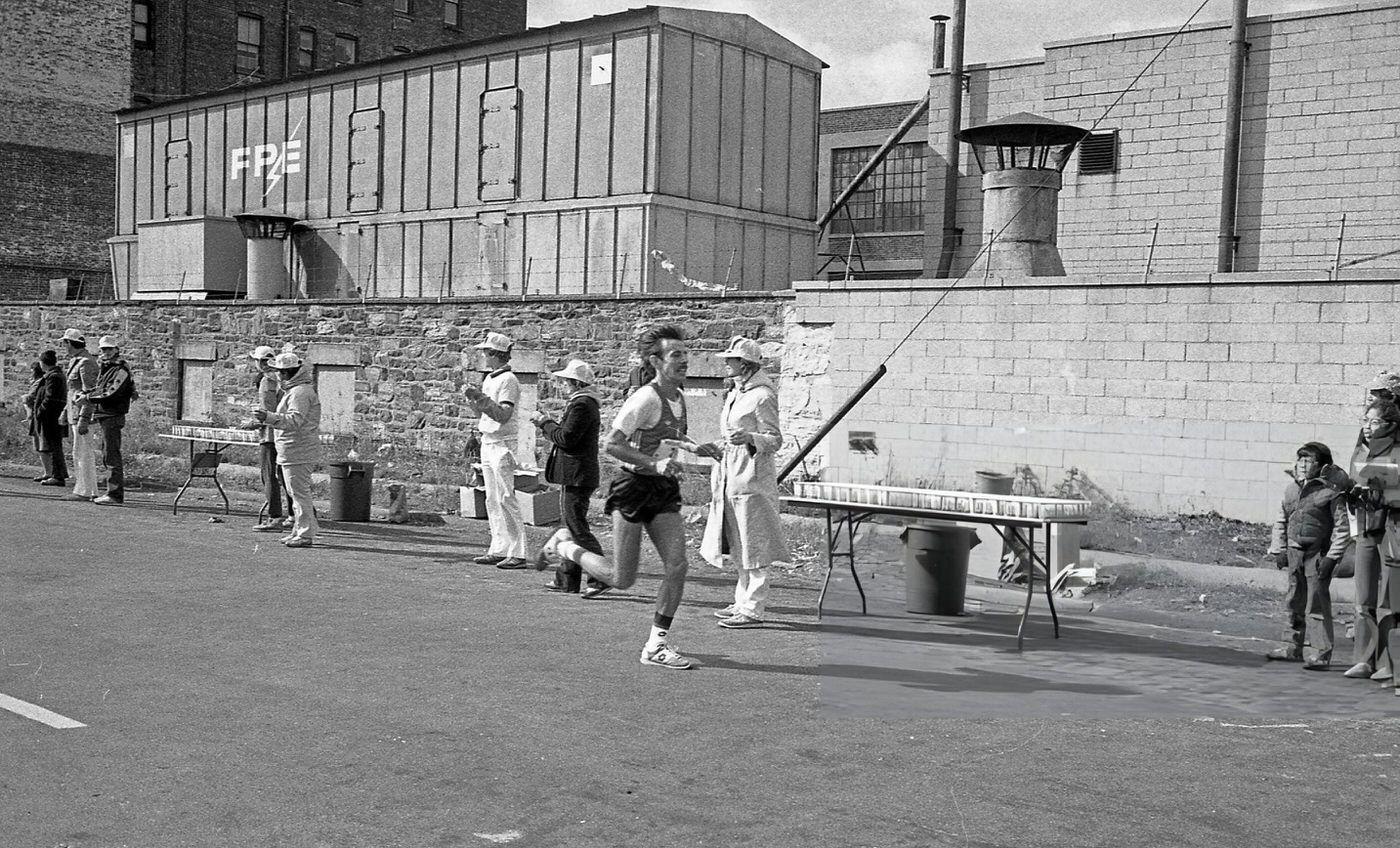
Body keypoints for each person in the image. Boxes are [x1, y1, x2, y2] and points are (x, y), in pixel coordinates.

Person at [537, 324, 700, 670]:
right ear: (655, 361)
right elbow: (612, 444)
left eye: (686, 353)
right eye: (676, 355)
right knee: (622, 579)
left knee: (678, 565)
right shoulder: (645, 398)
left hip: (662, 488)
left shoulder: (679, 397)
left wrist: (698, 448)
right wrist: (654, 465)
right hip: (634, 489)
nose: (684, 360)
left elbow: (665, 439)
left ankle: (657, 645)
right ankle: (564, 546)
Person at [699, 336, 788, 629]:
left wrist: (750, 438)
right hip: (730, 473)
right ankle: (741, 600)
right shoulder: (736, 393)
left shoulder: (763, 395)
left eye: (731, 359)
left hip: (752, 476)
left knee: (755, 542)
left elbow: (775, 440)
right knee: (738, 542)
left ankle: (753, 607)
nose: (726, 363)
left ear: (745, 364)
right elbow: (729, 434)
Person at [1265, 442, 1349, 669]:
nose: (1302, 464)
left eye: (1309, 460)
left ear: (1322, 466)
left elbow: (1342, 529)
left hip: (1317, 555)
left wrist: (1332, 557)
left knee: (1316, 605)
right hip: (1294, 553)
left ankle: (1321, 653)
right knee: (1293, 601)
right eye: (1300, 459)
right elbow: (1281, 520)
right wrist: (1280, 549)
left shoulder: (1331, 493)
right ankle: (1292, 648)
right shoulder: (1291, 489)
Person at [530, 359, 605, 593]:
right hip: (576, 474)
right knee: (571, 528)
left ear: (575, 383)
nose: (562, 386)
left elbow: (566, 438)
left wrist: (545, 423)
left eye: (564, 382)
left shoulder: (582, 405)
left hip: (577, 475)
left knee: (577, 529)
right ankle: (567, 579)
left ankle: (601, 576)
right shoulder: (582, 403)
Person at [1346, 397, 1400, 684]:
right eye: (1365, 421)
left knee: (1388, 600)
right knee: (1363, 597)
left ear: (1390, 425)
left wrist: (1383, 491)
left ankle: (1388, 663)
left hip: (1391, 530)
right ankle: (1363, 660)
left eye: (1374, 421)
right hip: (1365, 528)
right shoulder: (1362, 452)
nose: (1368, 427)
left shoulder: (1397, 452)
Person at [464, 331, 526, 569]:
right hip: (488, 440)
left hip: (503, 442)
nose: (482, 356)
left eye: (486, 352)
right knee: (491, 497)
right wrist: (474, 400)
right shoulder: (490, 378)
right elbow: (483, 414)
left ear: (495, 354)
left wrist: (479, 397)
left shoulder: (509, 380)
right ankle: (499, 547)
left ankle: (518, 551)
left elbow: (503, 414)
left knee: (505, 496)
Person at [253, 352, 321, 548]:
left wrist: (269, 417)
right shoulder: (297, 391)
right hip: (292, 449)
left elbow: (295, 421)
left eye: (280, 372)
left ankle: (305, 533)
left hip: (298, 449)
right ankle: (299, 530)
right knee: (296, 493)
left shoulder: (300, 393)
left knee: (299, 494)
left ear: (287, 373)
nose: (277, 376)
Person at [248, 345, 295, 532]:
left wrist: (253, 423)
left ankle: (275, 516)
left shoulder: (267, 381)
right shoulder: (280, 380)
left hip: (270, 435)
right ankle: (293, 514)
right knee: (286, 476)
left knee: (269, 476)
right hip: (283, 432)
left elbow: (267, 413)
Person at [60, 328, 99, 502]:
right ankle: (87, 489)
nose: (64, 347)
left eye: (65, 343)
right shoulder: (76, 361)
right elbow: (73, 391)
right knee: (79, 451)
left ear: (70, 343)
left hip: (82, 414)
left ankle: (85, 490)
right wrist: (66, 411)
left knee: (83, 452)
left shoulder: (86, 363)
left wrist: (84, 418)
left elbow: (89, 392)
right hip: (74, 412)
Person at [30, 351, 68, 487]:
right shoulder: (53, 375)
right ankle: (53, 474)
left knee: (53, 446)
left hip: (51, 417)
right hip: (50, 416)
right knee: (51, 446)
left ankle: (57, 476)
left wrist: (40, 412)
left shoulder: (54, 376)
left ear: (43, 363)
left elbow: (50, 398)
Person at [20, 361, 45, 479]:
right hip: (35, 414)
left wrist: (24, 398)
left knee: (40, 443)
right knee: (39, 443)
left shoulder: (39, 382)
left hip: (36, 414)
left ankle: (48, 471)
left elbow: (30, 398)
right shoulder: (38, 382)